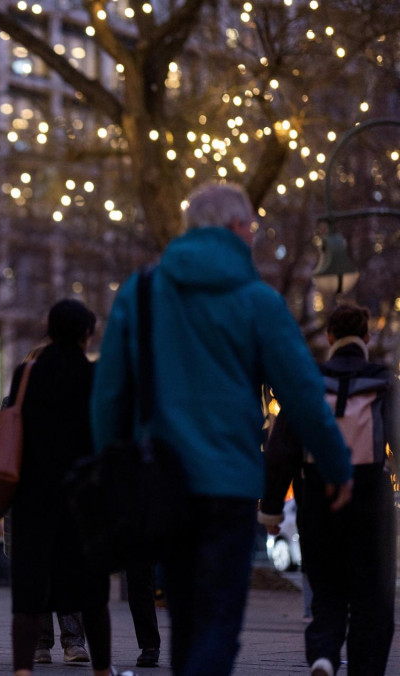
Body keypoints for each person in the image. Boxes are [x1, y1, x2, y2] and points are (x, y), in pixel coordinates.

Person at [91, 181, 354, 676]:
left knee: (186, 620)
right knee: (219, 623)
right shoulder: (257, 300)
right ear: (235, 228)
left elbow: (109, 395)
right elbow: (301, 392)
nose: (253, 236)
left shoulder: (141, 293)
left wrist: (112, 467)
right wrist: (336, 463)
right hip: (228, 483)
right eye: (250, 227)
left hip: (162, 482)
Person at [261, 303, 398, 676]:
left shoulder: (310, 380)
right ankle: (365, 667)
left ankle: (323, 654)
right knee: (373, 599)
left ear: (329, 337)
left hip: (318, 497)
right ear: (367, 337)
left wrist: (272, 510)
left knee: (327, 591)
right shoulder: (382, 381)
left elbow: (282, 448)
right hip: (371, 497)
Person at [9, 299, 130, 676]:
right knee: (92, 591)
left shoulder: (26, 374)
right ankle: (102, 668)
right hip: (83, 497)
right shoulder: (95, 378)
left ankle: (23, 669)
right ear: (85, 333)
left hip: (33, 495)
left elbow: (15, 426)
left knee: (30, 591)